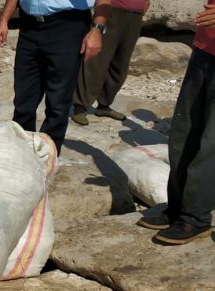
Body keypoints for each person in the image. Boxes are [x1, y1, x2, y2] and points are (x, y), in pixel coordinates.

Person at [136, 0, 215, 245]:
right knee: (184, 133)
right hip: (206, 47)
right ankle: (180, 207)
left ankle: (195, 216)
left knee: (211, 145)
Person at [0, 0, 111, 155]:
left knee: (58, 100)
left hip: (67, 25)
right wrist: (3, 20)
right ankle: (21, 153)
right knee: (24, 97)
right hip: (29, 25)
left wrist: (96, 30)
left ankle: (47, 158)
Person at [71, 0, 151, 126]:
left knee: (121, 63)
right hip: (112, 11)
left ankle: (104, 105)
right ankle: (79, 106)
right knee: (97, 61)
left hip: (135, 15)